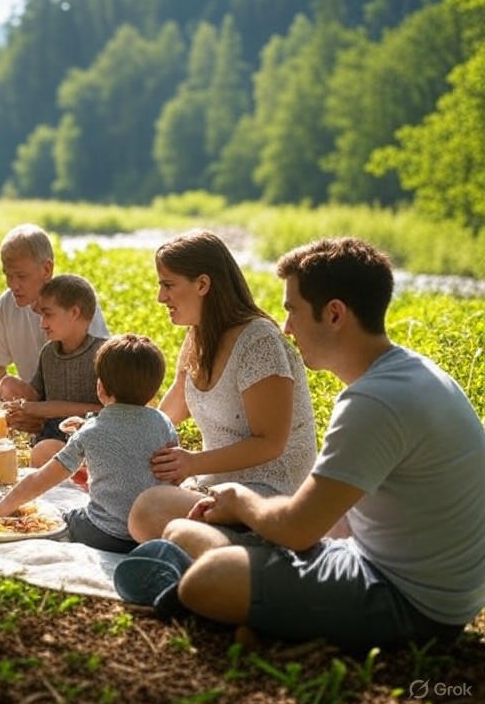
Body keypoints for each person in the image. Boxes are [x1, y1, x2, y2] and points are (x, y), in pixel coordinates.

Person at [115, 238, 485, 652]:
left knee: (211, 575)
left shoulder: (375, 400)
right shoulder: (406, 375)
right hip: (369, 561)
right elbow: (333, 521)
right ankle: (256, 607)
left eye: (292, 309)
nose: (286, 327)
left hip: (409, 604)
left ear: (334, 314)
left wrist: (237, 499)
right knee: (181, 532)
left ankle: (235, 605)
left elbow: (296, 529)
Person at [126, 231, 317, 546]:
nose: (161, 297)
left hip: (267, 495)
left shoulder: (258, 341)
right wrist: (117, 436)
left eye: (168, 284)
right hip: (214, 487)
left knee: (149, 509)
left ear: (203, 284)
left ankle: (253, 551)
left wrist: (193, 462)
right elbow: (173, 410)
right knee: (124, 492)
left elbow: (271, 443)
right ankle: (210, 547)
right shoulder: (197, 337)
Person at [0, 334, 178, 553]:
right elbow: (173, 475)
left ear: (100, 388)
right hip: (151, 533)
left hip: (104, 534)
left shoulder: (91, 431)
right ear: (154, 392)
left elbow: (40, 480)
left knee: (66, 516)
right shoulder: (163, 422)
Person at [0, 224, 109, 431]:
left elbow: (102, 361)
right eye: (7, 275)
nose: (13, 284)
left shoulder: (72, 300)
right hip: (37, 397)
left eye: (21, 276)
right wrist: (19, 405)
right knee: (4, 384)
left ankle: (44, 424)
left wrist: (39, 409)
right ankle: (37, 425)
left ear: (47, 269)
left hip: (80, 404)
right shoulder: (7, 303)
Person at [2, 275, 105, 468]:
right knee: (8, 385)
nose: (42, 323)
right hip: (48, 440)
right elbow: (36, 399)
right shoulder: (48, 353)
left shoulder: (103, 355)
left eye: (48, 314)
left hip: (88, 446)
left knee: (45, 451)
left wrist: (39, 409)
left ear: (74, 313)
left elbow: (109, 412)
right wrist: (18, 412)